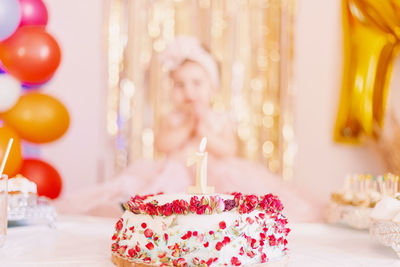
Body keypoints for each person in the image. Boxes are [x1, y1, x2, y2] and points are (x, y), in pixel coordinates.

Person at [55, 36, 321, 222]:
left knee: (232, 199)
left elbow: (229, 149)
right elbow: (163, 145)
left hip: (216, 173)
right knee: (154, 195)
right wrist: (187, 126)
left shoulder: (219, 118)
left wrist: (205, 128)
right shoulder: (173, 118)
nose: (188, 91)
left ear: (213, 88)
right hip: (175, 171)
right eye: (180, 85)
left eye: (196, 83)